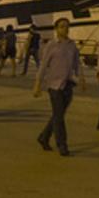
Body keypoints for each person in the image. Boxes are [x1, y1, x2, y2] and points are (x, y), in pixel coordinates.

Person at [34, 17, 83, 155]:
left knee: (58, 114)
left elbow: (76, 63)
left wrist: (81, 79)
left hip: (67, 84)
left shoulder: (72, 45)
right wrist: (37, 84)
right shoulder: (51, 45)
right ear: (56, 29)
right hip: (54, 85)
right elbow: (43, 66)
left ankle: (44, 137)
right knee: (59, 116)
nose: (65, 29)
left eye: (67, 26)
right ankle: (62, 145)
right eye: (62, 26)